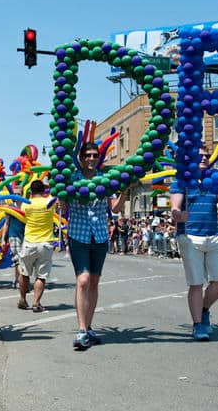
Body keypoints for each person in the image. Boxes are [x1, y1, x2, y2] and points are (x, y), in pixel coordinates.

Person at [61, 142, 128, 350]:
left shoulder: (105, 180)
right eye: (88, 155)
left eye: (94, 155)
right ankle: (81, 330)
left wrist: (125, 192)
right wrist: (61, 192)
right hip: (78, 234)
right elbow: (64, 209)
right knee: (83, 280)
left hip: (99, 236)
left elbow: (114, 208)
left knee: (94, 282)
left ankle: (89, 327)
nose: (91, 158)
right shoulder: (72, 178)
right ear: (81, 158)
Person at [170, 145, 218, 341]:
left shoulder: (215, 181)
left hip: (213, 236)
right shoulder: (183, 181)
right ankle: (198, 325)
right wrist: (179, 215)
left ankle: (204, 309)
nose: (204, 158)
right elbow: (175, 209)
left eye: (206, 156)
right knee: (196, 283)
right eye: (200, 156)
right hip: (190, 236)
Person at [18, 180, 55, 312]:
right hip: (45, 243)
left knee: (24, 273)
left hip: (29, 242)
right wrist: (48, 187)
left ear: (31, 191)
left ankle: (22, 299)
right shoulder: (49, 202)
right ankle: (36, 303)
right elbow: (54, 191)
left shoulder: (26, 204)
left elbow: (23, 216)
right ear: (43, 190)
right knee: (41, 276)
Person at [1, 184, 25, 289]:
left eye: (18, 194)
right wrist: (3, 239)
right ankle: (23, 283)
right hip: (13, 235)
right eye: (14, 194)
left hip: (26, 236)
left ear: (22, 195)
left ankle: (16, 279)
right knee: (18, 258)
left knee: (22, 260)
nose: (16, 196)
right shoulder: (11, 208)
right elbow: (6, 223)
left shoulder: (27, 206)